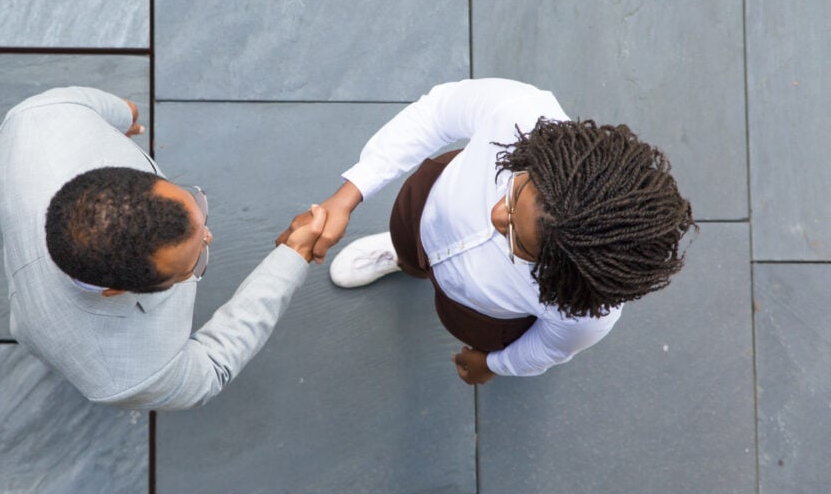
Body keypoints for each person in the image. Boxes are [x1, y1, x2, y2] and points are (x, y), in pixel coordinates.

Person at [277, 78, 694, 384]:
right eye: (515, 191)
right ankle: (403, 258)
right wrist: (348, 196)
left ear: (564, 276)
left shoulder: (585, 310)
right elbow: (437, 113)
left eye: (517, 241)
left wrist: (494, 364)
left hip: (478, 310)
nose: (497, 216)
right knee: (408, 243)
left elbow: (547, 347)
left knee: (452, 315)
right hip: (426, 207)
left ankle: (414, 264)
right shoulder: (522, 112)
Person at [0, 86, 326, 410]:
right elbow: (211, 367)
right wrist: (293, 256)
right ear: (113, 291)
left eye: (196, 208)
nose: (208, 236)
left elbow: (125, 110)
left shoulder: (37, 117)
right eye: (191, 266)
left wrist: (125, 116)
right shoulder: (131, 377)